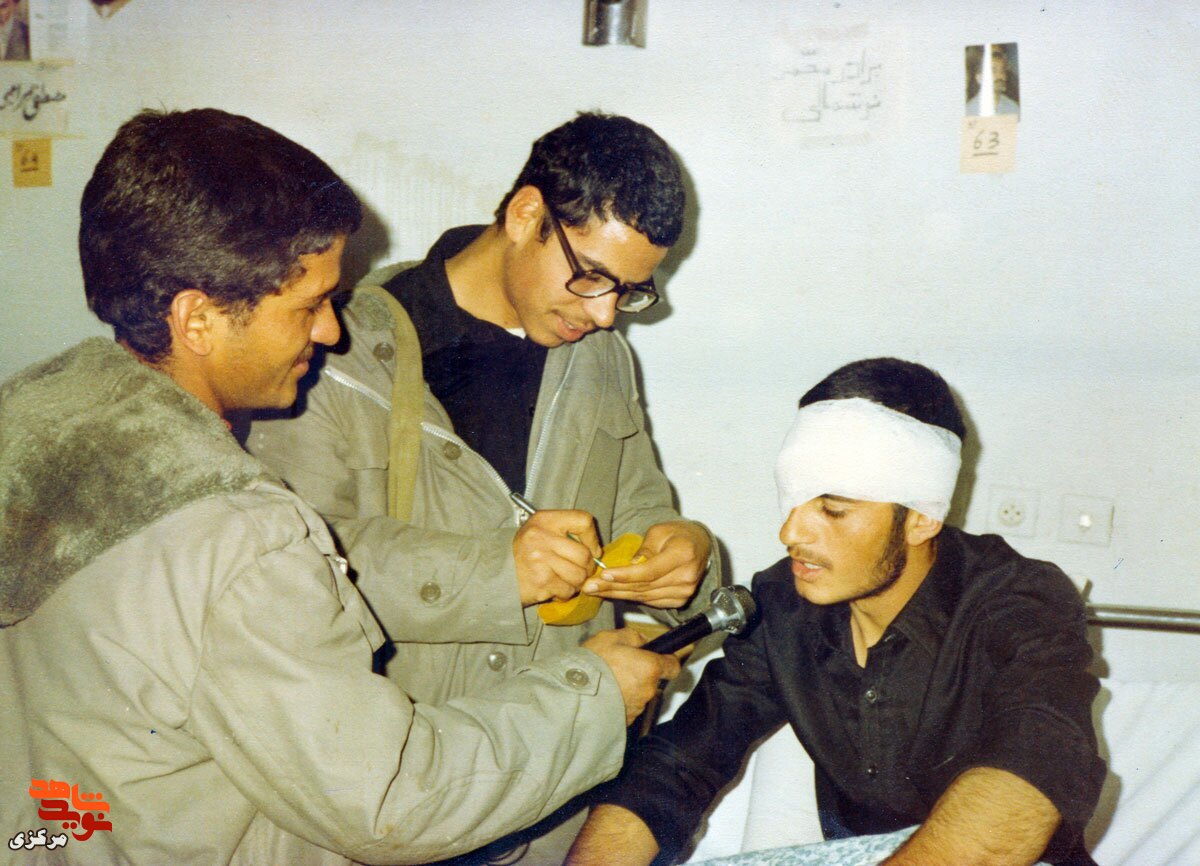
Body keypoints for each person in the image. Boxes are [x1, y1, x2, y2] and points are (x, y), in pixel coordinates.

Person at [0, 107, 681, 865]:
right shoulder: (238, 535)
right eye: (309, 305)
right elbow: (393, 800)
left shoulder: (27, 416)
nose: (331, 330)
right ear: (197, 320)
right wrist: (593, 696)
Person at [247, 112, 721, 863]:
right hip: (415, 792)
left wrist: (686, 551)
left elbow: (638, 504)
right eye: (593, 276)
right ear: (526, 215)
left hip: (564, 793)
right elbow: (290, 575)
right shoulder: (336, 352)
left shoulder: (600, 357)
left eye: (629, 292)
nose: (605, 313)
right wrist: (498, 572)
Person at [567, 358, 1107, 866]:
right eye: (793, 501)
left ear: (921, 518)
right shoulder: (782, 604)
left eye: (833, 509)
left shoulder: (1017, 600)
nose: (790, 533)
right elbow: (677, 767)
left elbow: (1032, 773)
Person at [966, 43, 1020, 116]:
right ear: (979, 78)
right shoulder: (968, 111)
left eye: (1002, 70)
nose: (1000, 76)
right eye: (993, 71)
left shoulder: (1013, 108)